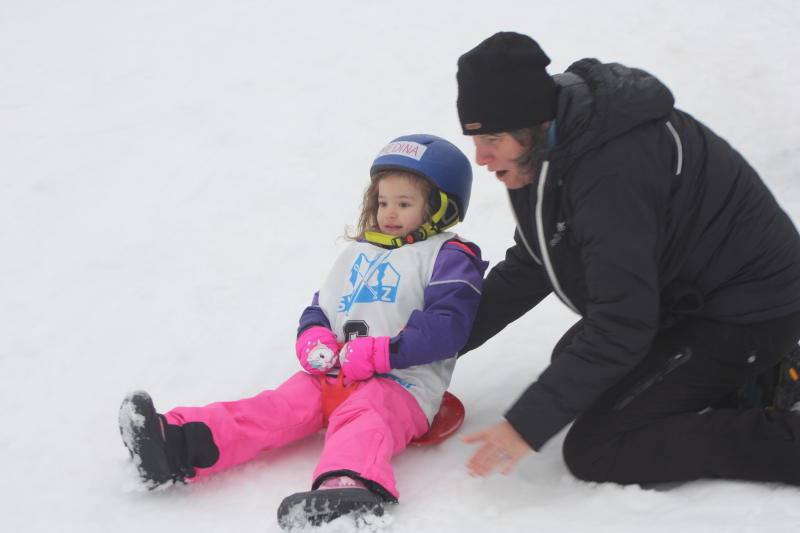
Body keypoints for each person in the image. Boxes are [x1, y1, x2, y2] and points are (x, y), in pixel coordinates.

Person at [455, 31, 800, 486]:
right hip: (686, 297)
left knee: (599, 449)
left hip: (750, 312)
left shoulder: (612, 167)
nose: (481, 158)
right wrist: (435, 343)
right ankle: (755, 380)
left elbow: (622, 324)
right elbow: (533, 262)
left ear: (532, 123)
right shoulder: (549, 149)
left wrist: (524, 427)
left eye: (492, 138)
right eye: (475, 140)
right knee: (575, 361)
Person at [118, 134, 487, 527]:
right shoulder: (360, 252)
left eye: (404, 203)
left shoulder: (449, 256)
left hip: (400, 385)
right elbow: (321, 307)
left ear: (440, 208)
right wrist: (313, 337)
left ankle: (349, 488)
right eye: (382, 202)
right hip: (332, 376)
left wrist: (381, 353)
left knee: (365, 418)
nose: (389, 213)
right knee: (274, 408)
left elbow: (448, 327)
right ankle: (175, 443)